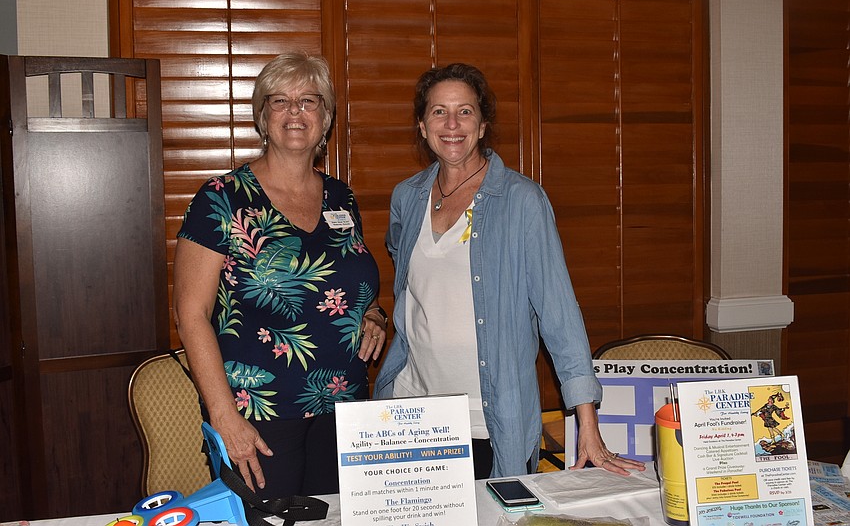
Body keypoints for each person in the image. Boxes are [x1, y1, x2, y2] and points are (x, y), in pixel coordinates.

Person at [373, 62, 645, 479]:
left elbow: (559, 314)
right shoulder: (407, 198)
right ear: (422, 125)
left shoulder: (522, 201)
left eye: (465, 111)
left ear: (483, 126)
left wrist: (588, 424)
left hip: (488, 419)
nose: (452, 124)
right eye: (438, 112)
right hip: (412, 409)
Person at [173, 52, 387, 498]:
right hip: (257, 416)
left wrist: (375, 316)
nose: (295, 112)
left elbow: (348, 286)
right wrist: (223, 414)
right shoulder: (222, 198)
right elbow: (191, 313)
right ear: (261, 116)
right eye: (280, 101)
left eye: (309, 101)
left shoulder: (341, 198)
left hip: (344, 409)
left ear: (325, 118)